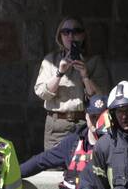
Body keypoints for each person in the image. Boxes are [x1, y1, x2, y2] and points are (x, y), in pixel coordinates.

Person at [33, 16, 112, 150]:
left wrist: (85, 76)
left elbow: (102, 98)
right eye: (66, 32)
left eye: (76, 31)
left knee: (82, 166)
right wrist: (59, 72)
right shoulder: (50, 60)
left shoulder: (94, 61)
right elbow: (42, 93)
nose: (71, 36)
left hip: (84, 122)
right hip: (56, 125)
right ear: (60, 36)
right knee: (54, 169)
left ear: (83, 35)